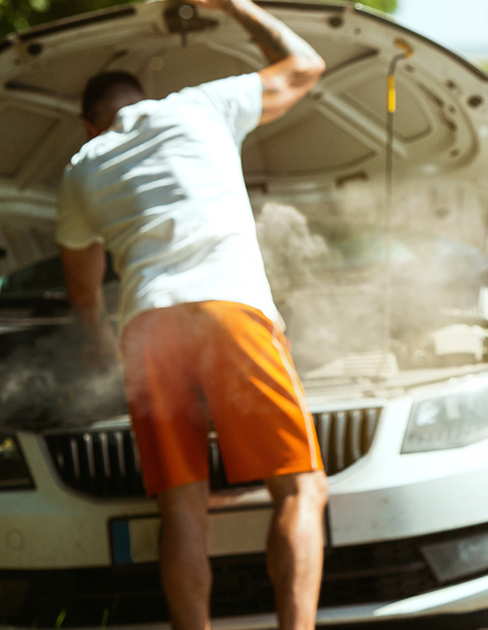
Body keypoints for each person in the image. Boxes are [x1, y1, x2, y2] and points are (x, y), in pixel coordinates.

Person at [54, 1, 327, 629]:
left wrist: (96, 346)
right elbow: (305, 65)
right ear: (141, 97)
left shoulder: (81, 169)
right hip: (228, 308)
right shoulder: (196, 106)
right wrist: (233, 4)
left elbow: (84, 288)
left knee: (181, 511)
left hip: (147, 328)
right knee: (301, 490)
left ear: (90, 124)